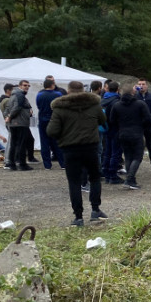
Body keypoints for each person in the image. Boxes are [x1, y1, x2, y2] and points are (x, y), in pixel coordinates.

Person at [46, 81, 108, 227]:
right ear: (83, 90)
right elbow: (103, 120)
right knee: (94, 178)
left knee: (74, 182)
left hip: (70, 149)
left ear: (68, 91)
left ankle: (78, 217)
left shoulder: (60, 108)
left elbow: (51, 131)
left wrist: (64, 135)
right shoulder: (94, 105)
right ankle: (95, 210)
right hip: (90, 147)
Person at [108, 87, 151, 190]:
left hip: (123, 133)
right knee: (137, 157)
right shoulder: (140, 104)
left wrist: (121, 126)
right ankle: (129, 179)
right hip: (136, 132)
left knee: (128, 157)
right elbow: (148, 118)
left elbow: (112, 120)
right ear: (133, 93)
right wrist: (141, 125)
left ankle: (131, 180)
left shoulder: (117, 105)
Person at [36, 78, 65, 169]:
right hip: (54, 120)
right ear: (52, 85)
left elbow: (38, 105)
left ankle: (47, 165)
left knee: (44, 142)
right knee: (57, 141)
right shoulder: (58, 94)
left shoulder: (39, 95)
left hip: (42, 119)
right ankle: (62, 163)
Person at [6, 80, 34, 171]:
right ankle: (22, 164)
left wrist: (8, 117)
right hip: (20, 123)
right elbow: (17, 107)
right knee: (22, 144)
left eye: (28, 86)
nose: (27, 87)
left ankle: (12, 163)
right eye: (25, 85)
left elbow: (8, 108)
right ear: (19, 86)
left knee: (14, 144)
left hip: (14, 124)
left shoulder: (13, 96)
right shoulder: (20, 95)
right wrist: (10, 116)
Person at [101, 81, 125, 184]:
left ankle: (106, 172)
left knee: (107, 152)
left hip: (105, 128)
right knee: (115, 153)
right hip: (115, 129)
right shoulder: (117, 101)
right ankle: (112, 174)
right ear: (117, 90)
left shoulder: (103, 100)